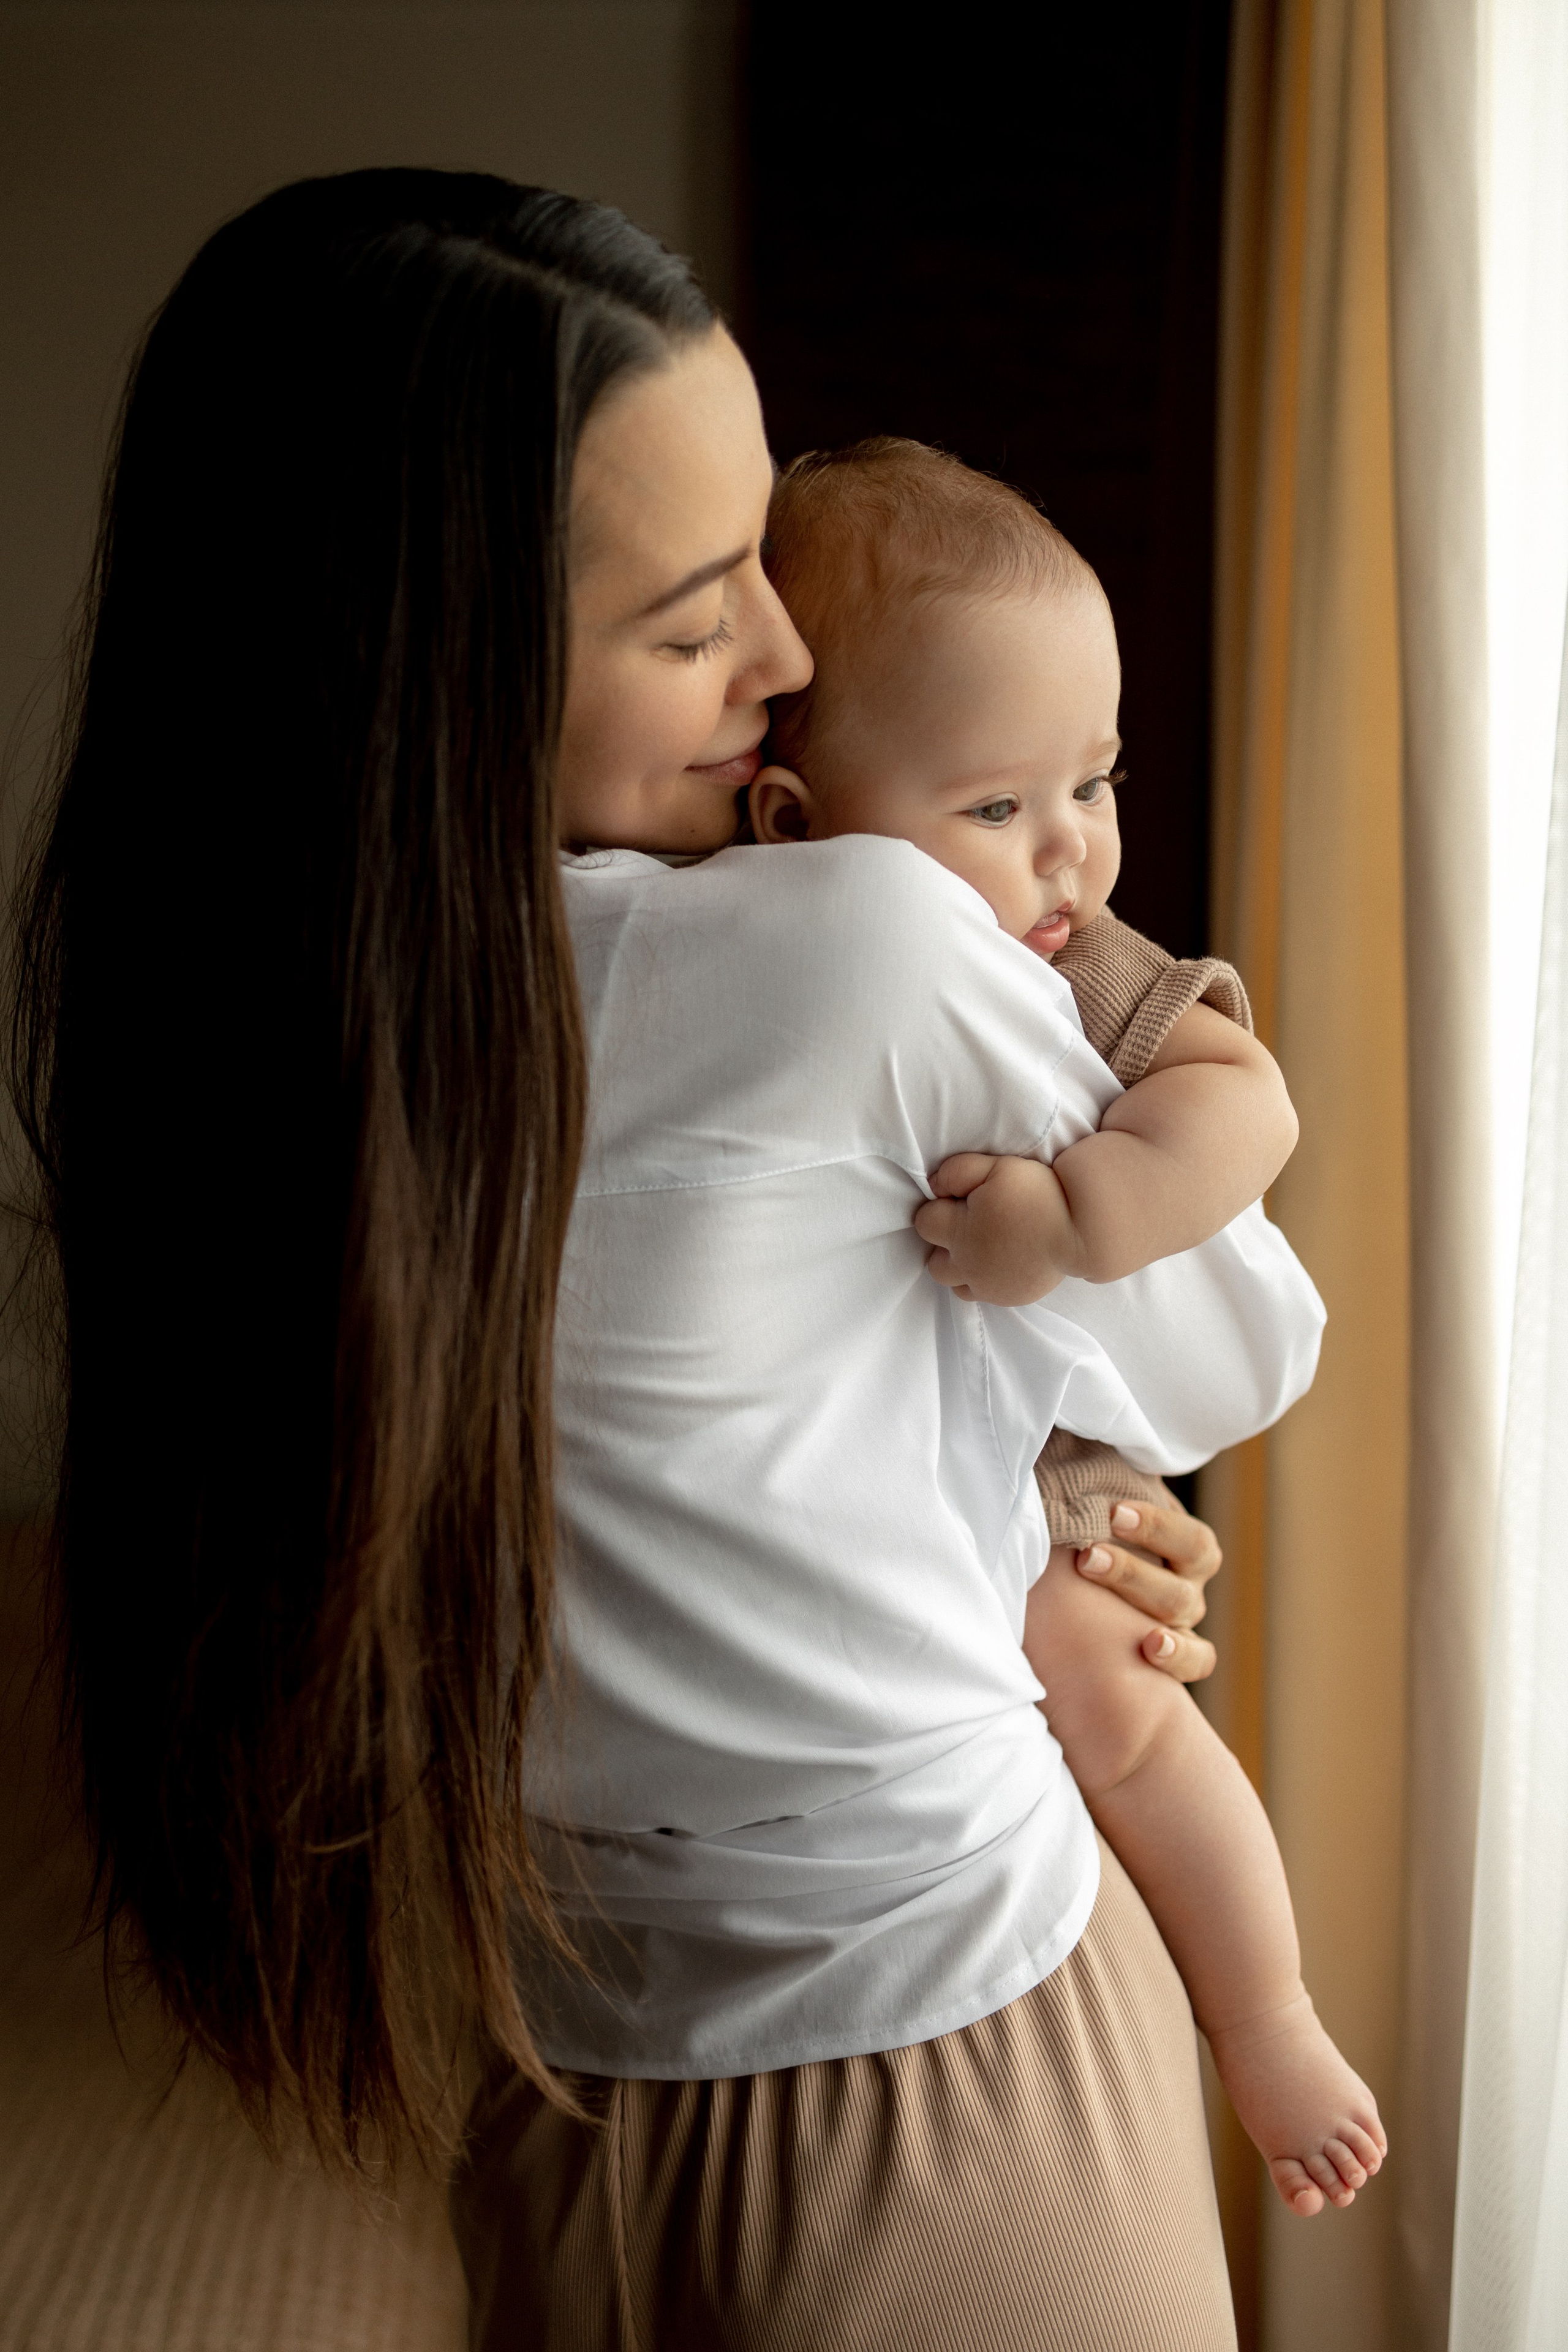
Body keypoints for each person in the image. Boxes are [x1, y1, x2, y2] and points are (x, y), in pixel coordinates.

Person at [6, 169, 1295, 2351]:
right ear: (439, 668)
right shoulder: (865, 939)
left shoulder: (204, 1043)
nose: (790, 666)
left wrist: (1013, 1480)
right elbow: (1233, 1343)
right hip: (924, 2041)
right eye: (699, 620)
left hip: (527, 2051)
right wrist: (1070, 1468)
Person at [747, 436, 1387, 2217]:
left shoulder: (1073, 957)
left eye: (1094, 783)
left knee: (1113, 1693)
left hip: (1051, 1446)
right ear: (794, 824)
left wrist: (1082, 1212)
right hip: (847, 1480)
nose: (1072, 853)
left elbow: (1244, 1104)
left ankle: (1265, 2020)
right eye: (997, 806)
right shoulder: (734, 941)